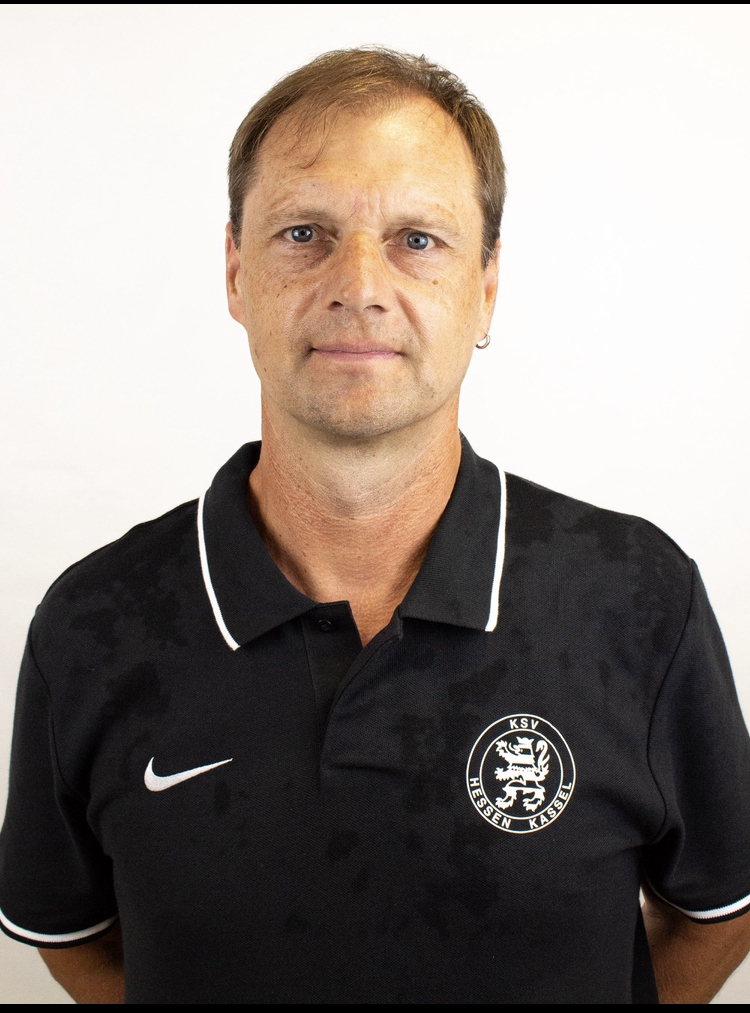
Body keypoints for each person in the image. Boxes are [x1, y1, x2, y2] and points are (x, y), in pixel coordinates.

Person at [1, 47, 749, 1005]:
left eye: (417, 239)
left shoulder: (639, 597)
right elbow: (74, 937)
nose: (358, 284)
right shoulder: (91, 624)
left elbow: (719, 911)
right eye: (304, 232)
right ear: (235, 272)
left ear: (486, 287)